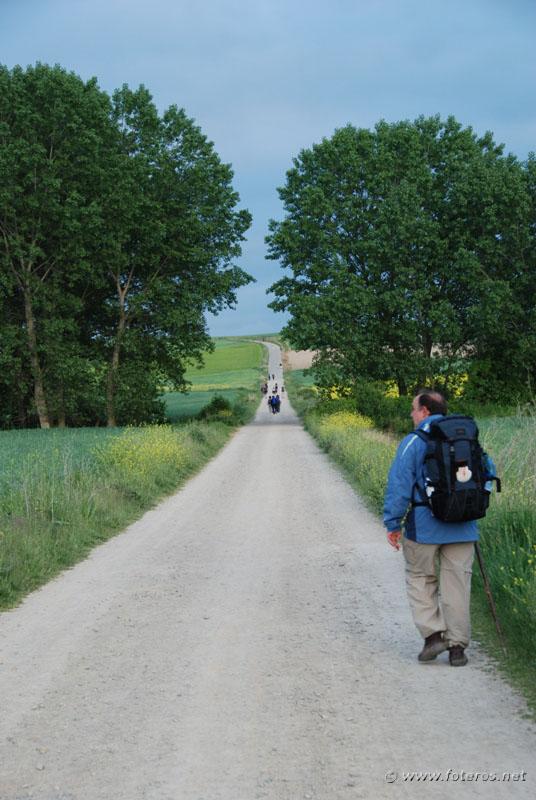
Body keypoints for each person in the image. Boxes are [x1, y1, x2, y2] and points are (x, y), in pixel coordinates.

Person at [383, 389, 478, 667]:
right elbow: (486, 473)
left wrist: (393, 522)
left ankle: (433, 636)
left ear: (425, 410)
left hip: (424, 526)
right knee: (457, 585)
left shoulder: (414, 441)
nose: (411, 414)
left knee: (420, 578)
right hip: (463, 526)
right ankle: (457, 648)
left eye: (414, 409)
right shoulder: (466, 437)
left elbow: (399, 485)